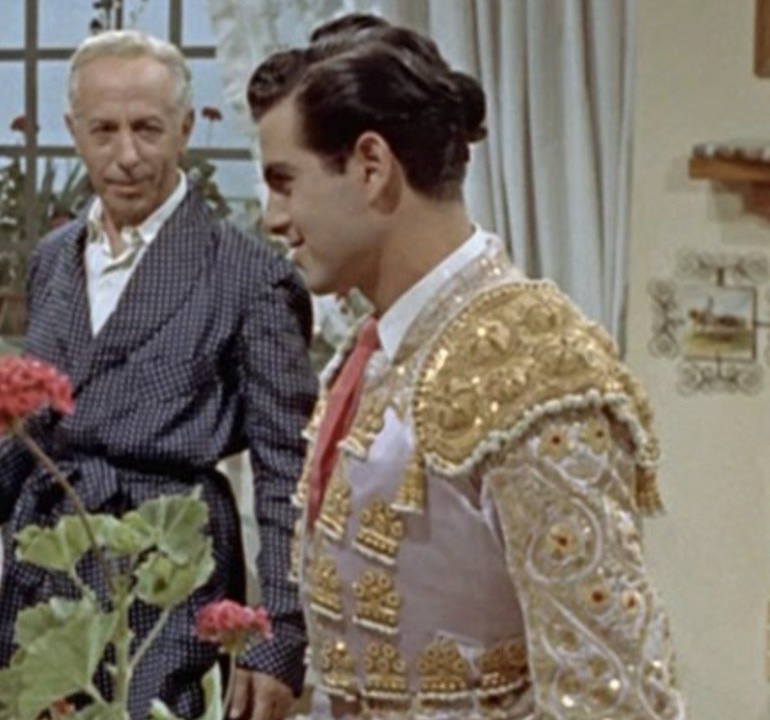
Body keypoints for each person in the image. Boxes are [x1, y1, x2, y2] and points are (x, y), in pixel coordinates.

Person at [246, 15, 685, 719]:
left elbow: (613, 696)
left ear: (371, 166)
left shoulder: (533, 365)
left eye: (284, 181)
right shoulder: (380, 345)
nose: (272, 216)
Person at [0, 30, 317, 720]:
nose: (127, 155)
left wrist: (283, 637)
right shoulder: (54, 258)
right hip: (47, 562)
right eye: (104, 130)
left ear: (186, 128)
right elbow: (47, 420)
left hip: (169, 573)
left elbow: (289, 473)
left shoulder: (249, 277)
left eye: (148, 128)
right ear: (74, 132)